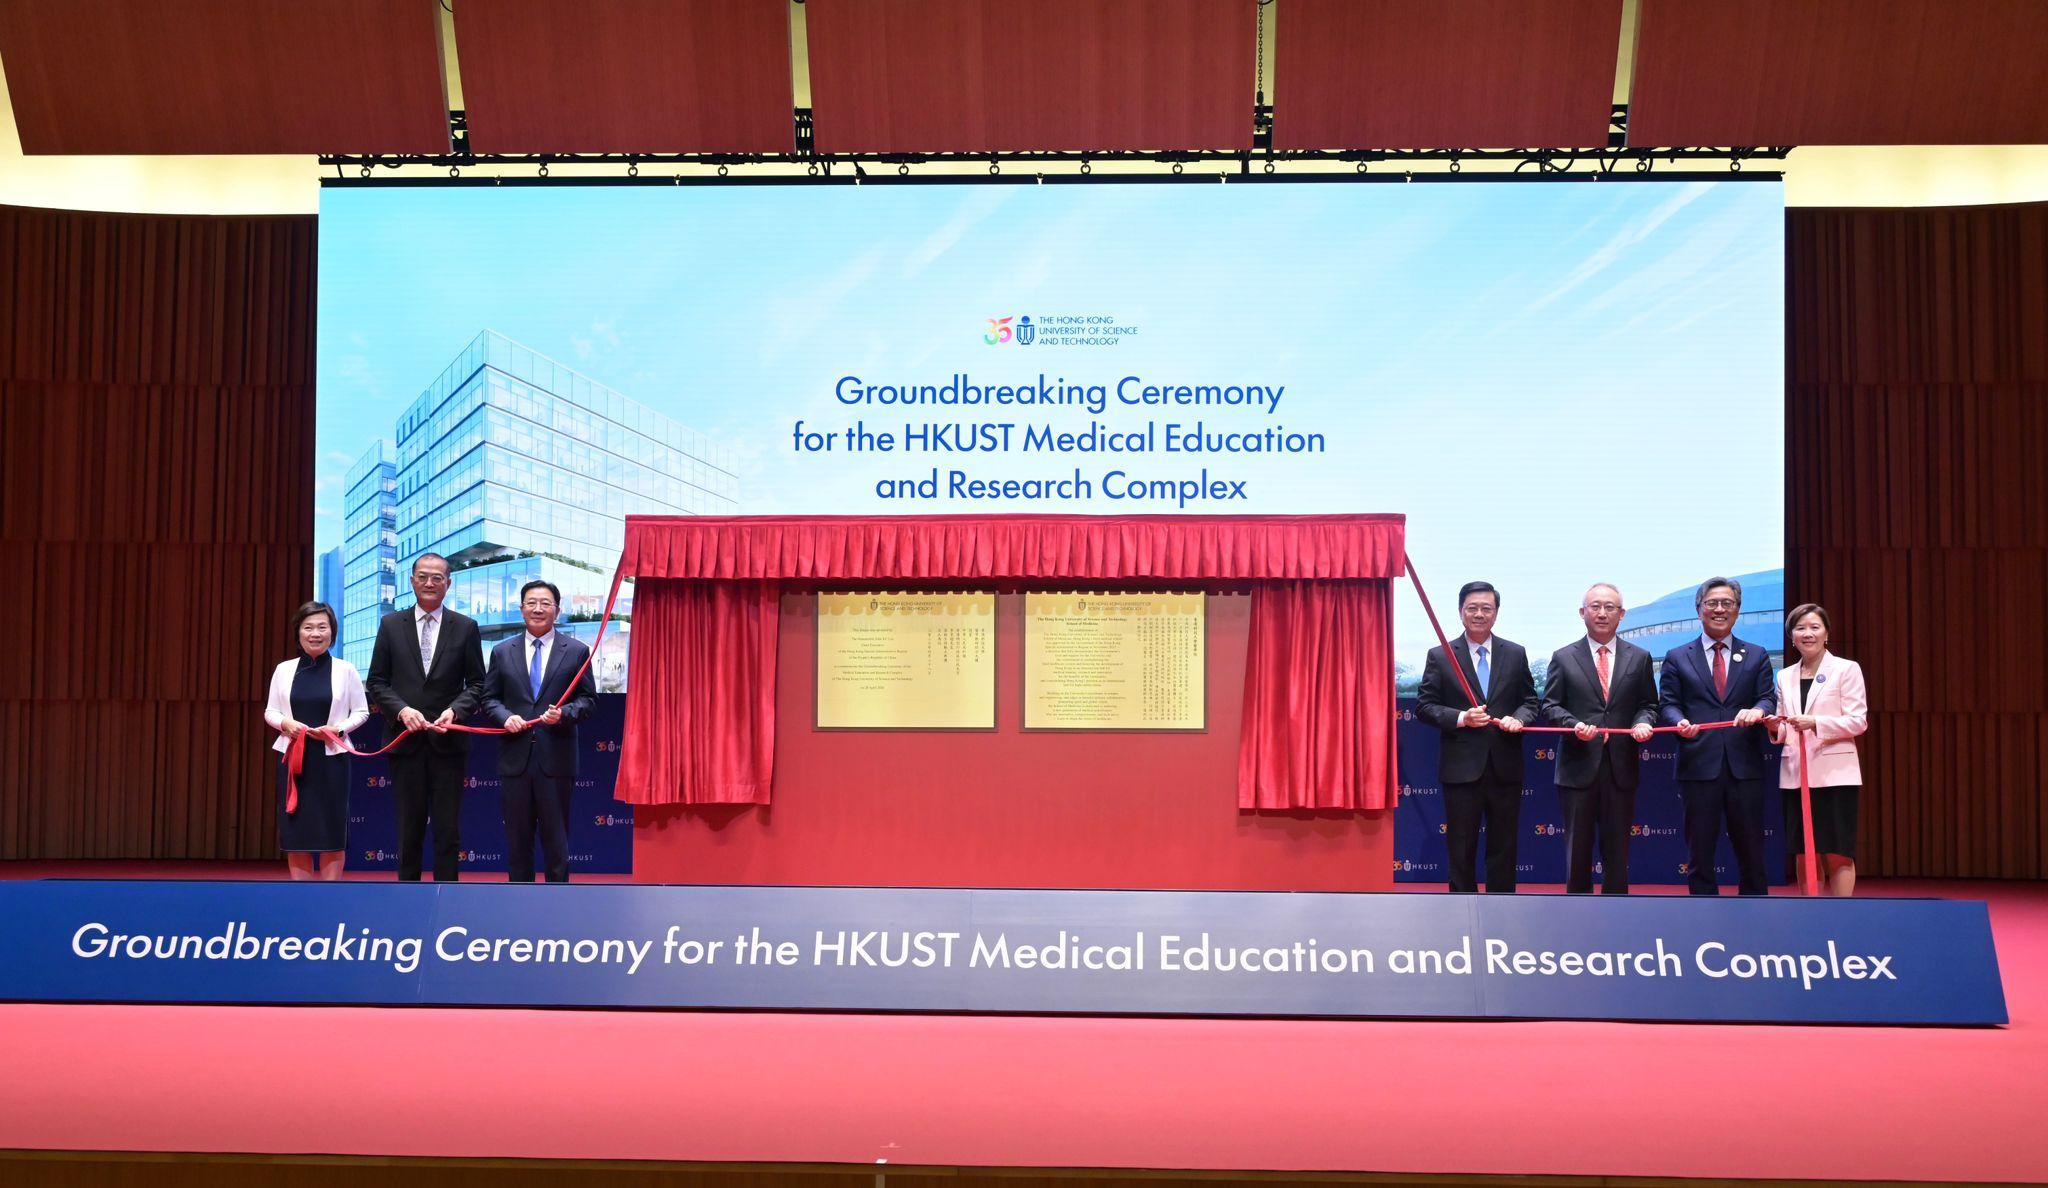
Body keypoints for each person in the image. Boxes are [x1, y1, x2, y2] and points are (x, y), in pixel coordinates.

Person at [364, 553, 486, 881]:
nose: (429, 583)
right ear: (412, 581)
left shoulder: (465, 627)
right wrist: (402, 710)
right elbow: (376, 681)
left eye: (437, 578)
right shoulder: (391, 625)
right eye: (423, 577)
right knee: (409, 828)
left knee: (447, 830)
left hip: (449, 744)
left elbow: (477, 683)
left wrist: (455, 711)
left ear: (448, 583)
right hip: (406, 743)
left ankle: (448, 897)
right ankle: (408, 898)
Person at [1415, 581, 1538, 893]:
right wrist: (1461, 718)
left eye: (1487, 608)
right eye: (1472, 608)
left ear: (1496, 613)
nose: (1479, 614)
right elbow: (1425, 707)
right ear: (1461, 612)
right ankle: (1461, 910)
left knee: (1504, 845)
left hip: (1504, 766)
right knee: (1461, 846)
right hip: (1461, 768)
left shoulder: (1515, 653)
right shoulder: (1441, 655)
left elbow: (1530, 701)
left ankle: (1501, 909)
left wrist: (1518, 718)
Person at [1658, 576, 1777, 895]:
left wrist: (1759, 710)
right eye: (1712, 603)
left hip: (1745, 767)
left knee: (1752, 851)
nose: (1719, 609)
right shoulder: (1677, 656)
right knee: (1700, 853)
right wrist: (1679, 721)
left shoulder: (1756, 654)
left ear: (1737, 611)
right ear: (1699, 610)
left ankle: (1756, 917)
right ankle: (1703, 916)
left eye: (1727, 603)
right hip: (1698, 765)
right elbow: (1667, 704)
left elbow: (1767, 697)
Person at [1540, 584, 1658, 894]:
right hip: (1577, 766)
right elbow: (1550, 705)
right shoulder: (1564, 657)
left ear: (1622, 614)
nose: (1602, 613)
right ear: (1582, 613)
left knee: (1617, 850)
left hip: (1621, 766)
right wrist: (1574, 724)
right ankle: (1577, 916)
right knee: (1577, 850)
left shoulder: (1640, 657)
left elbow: (1648, 704)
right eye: (1595, 606)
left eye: (1609, 607)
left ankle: (1615, 915)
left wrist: (1643, 723)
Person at [483, 579, 598, 883]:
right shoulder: (501, 651)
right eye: (531, 602)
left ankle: (556, 910)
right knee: (518, 843)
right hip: (515, 760)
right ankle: (520, 910)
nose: (538, 608)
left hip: (556, 760)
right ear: (521, 609)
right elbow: (489, 698)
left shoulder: (575, 651)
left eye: (545, 603)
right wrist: (506, 717)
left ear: (557, 611)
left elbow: (588, 700)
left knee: (556, 843)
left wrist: (563, 715)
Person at [264, 601, 368, 880]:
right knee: (297, 830)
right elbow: (270, 711)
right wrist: (285, 723)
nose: (315, 633)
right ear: (298, 633)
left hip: (332, 760)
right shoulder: (283, 669)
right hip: (293, 759)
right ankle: (303, 899)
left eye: (322, 627)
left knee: (331, 829)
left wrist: (338, 729)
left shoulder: (346, 670)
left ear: (332, 632)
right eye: (308, 627)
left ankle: (329, 899)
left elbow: (361, 711)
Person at [1770, 603, 1868, 896]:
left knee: (1837, 850)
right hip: (1795, 774)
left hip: (1835, 775)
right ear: (1791, 636)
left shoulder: (1846, 669)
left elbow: (1857, 721)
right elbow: (1785, 723)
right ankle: (1811, 919)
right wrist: (1774, 728)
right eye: (1800, 628)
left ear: (1827, 633)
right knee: (1803, 852)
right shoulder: (1784, 676)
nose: (1807, 634)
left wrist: (1815, 723)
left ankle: (1840, 919)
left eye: (1815, 627)